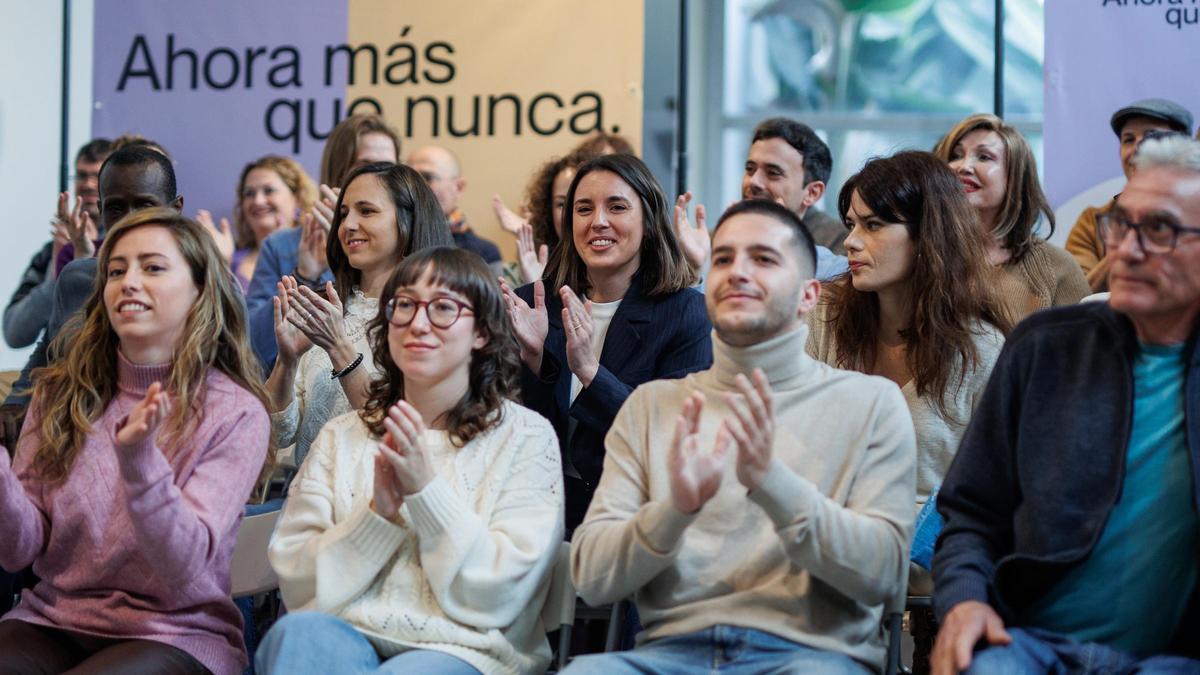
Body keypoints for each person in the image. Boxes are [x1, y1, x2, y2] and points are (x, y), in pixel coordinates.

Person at [563, 199, 916, 674]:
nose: (737, 272)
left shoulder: (871, 404)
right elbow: (593, 577)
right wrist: (674, 511)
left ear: (809, 295)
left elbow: (884, 573)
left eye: (764, 259)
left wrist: (773, 483)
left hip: (812, 657)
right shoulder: (651, 406)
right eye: (723, 259)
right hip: (670, 655)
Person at [930, 135, 1200, 674]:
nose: (1125, 248)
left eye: (1161, 229)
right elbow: (969, 513)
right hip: (1028, 642)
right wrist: (964, 602)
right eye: (1122, 223)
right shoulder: (1044, 346)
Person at [257, 247, 563, 675]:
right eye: (404, 306)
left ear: (482, 333)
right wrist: (378, 514)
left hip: (465, 652)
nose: (418, 323)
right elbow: (297, 581)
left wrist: (426, 491)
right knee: (298, 637)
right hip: (346, 635)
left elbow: (497, 595)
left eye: (442, 308)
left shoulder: (526, 438)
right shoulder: (343, 435)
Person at [0, 208, 271, 675]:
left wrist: (140, 463)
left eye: (153, 267)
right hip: (52, 620)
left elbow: (182, 568)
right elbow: (20, 550)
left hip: (176, 632)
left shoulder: (236, 411)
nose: (128, 281)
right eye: (116, 270)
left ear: (200, 289)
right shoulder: (59, 391)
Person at [499, 153, 712, 531]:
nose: (598, 221)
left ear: (647, 221)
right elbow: (509, 426)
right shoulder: (533, 302)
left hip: (630, 516)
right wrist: (534, 360)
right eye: (583, 209)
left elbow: (669, 436)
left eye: (616, 207)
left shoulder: (686, 313)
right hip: (530, 511)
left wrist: (590, 372)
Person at [265, 162, 452, 470]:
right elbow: (278, 435)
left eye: (366, 211)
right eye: (343, 213)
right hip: (310, 502)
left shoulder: (436, 318)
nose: (347, 225)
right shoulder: (324, 310)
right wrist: (286, 362)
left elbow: (398, 435)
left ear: (408, 222)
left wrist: (338, 348)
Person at [4, 144, 185, 408]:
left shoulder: (208, 282)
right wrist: (14, 405)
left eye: (145, 205)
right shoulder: (77, 276)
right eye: (115, 208)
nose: (130, 220)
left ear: (175, 208)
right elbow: (46, 350)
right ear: (101, 209)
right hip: (76, 423)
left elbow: (237, 379)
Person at [247, 113, 402, 369]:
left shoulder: (406, 243)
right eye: (367, 165)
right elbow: (252, 349)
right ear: (338, 170)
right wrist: (304, 275)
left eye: (390, 167)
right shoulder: (282, 246)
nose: (381, 178)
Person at [934, 113, 1089, 324]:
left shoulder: (1057, 267)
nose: (963, 166)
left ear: (1016, 177)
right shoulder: (920, 257)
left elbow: (1086, 352)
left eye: (984, 156)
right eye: (955, 155)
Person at [1064, 98, 1194, 293]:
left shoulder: (1193, 218)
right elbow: (1077, 296)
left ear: (1183, 148)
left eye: (1153, 137)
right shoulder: (1093, 222)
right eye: (1128, 140)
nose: (1138, 148)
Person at [4, 138, 111, 348]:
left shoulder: (126, 247)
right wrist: (59, 270)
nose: (88, 184)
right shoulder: (52, 251)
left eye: (97, 176)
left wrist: (85, 263)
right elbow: (14, 334)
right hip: (55, 368)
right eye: (81, 175)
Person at [202, 155, 317, 292]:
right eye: (249, 193)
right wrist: (220, 264)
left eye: (269, 191)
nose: (258, 201)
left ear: (297, 198)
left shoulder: (316, 253)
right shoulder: (231, 259)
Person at [743, 117, 850, 262]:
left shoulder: (843, 248)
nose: (754, 181)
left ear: (812, 193)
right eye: (750, 169)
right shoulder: (713, 242)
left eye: (773, 173)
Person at [408, 145, 503, 273]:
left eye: (427, 178)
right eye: (408, 178)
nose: (413, 186)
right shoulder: (390, 242)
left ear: (458, 187)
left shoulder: (483, 254)